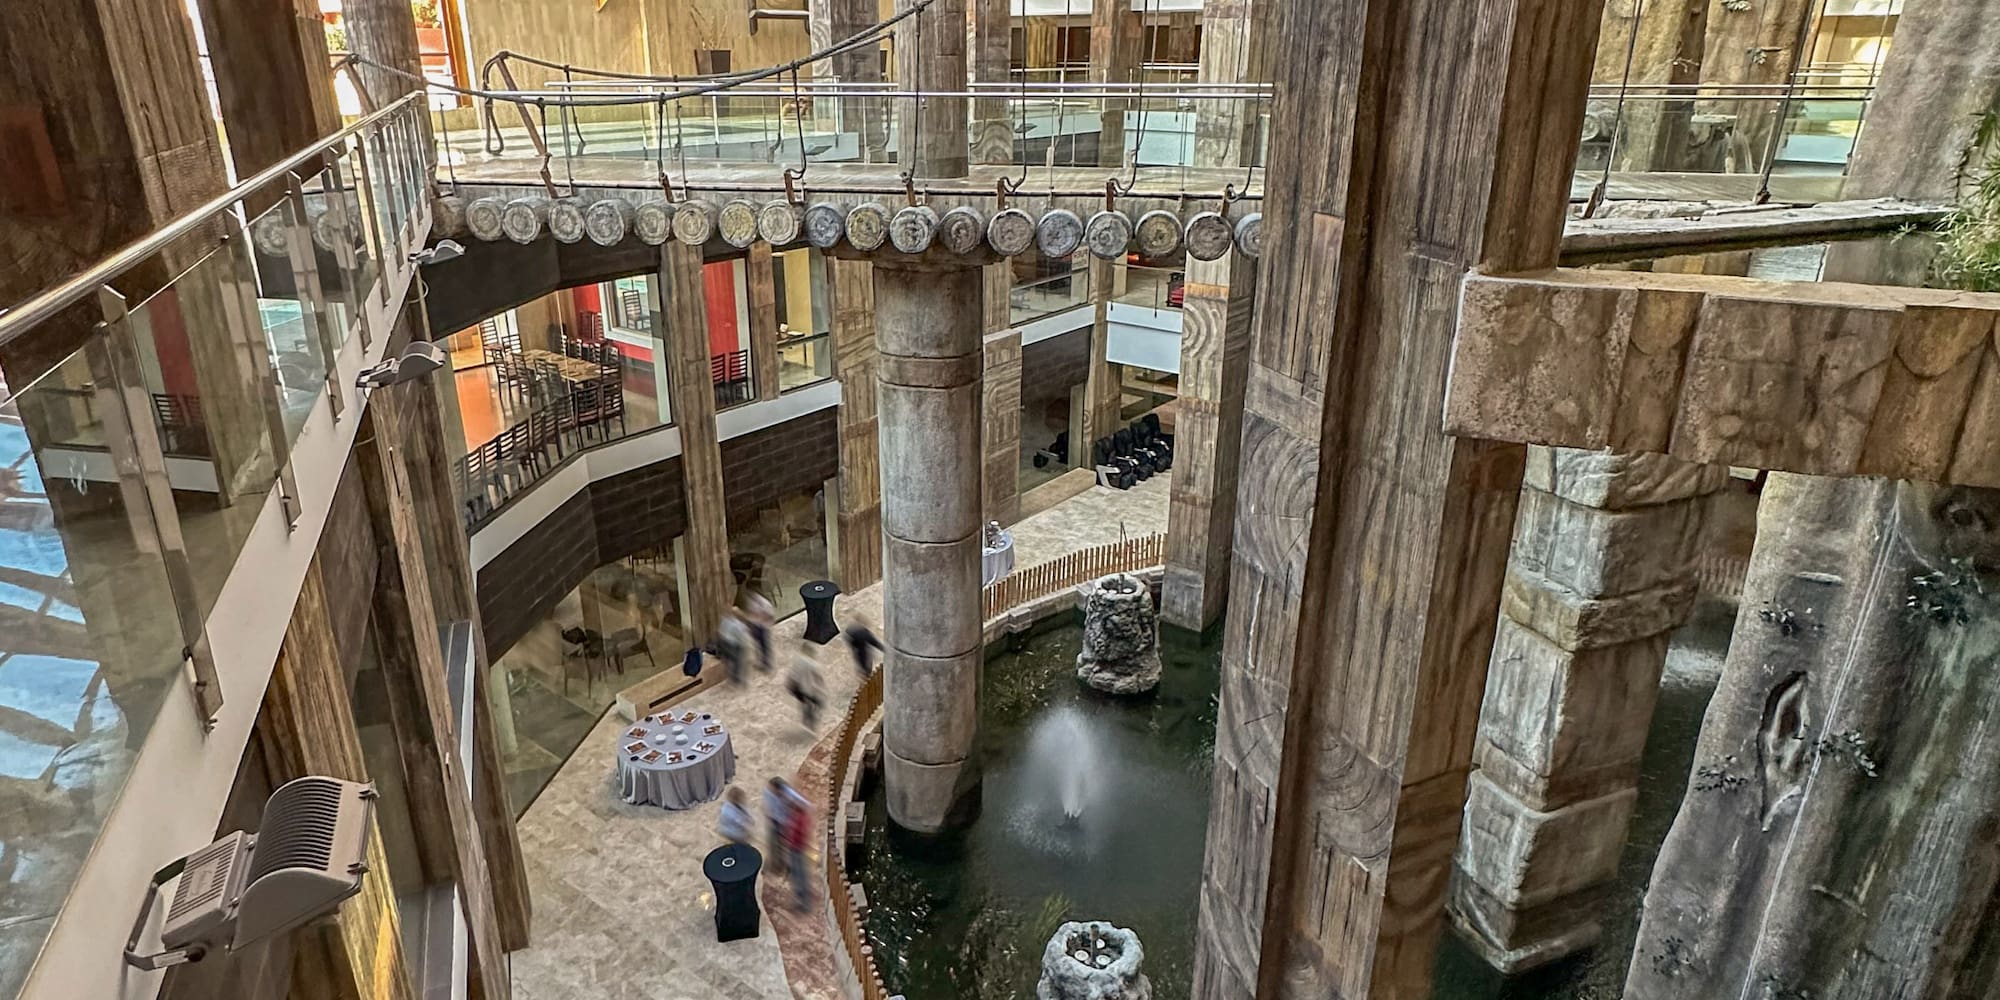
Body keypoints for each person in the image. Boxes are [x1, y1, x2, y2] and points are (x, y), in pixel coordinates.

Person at [783, 791, 816, 912]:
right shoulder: (795, 818)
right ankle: (800, 899)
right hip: (794, 848)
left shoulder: (800, 819)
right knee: (797, 874)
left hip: (798, 849)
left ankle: (805, 903)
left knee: (800, 876)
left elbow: (800, 834)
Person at [787, 643, 826, 730]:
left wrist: (791, 684)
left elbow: (793, 675)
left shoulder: (798, 660)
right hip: (811, 690)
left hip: (799, 689)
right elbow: (819, 679)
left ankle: (806, 722)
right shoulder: (814, 664)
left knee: (805, 705)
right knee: (816, 705)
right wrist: (822, 691)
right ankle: (811, 724)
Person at [763, 777, 796, 879]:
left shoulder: (789, 794)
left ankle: (789, 868)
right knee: (772, 845)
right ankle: (772, 865)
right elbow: (767, 806)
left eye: (773, 789)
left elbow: (800, 803)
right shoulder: (768, 793)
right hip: (774, 822)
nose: (771, 791)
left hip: (785, 824)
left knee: (786, 847)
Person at [742, 589, 775, 673]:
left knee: (765, 647)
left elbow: (770, 615)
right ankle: (761, 662)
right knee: (757, 646)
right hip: (755, 626)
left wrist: (765, 622)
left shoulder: (764, 603)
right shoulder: (750, 600)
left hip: (763, 627)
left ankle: (768, 665)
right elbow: (750, 613)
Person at [718, 610, 750, 686]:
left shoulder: (725, 621)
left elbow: (720, 632)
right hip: (734, 644)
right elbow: (740, 635)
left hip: (728, 643)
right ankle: (737, 678)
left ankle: (734, 676)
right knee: (737, 661)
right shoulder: (736, 624)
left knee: (732, 660)